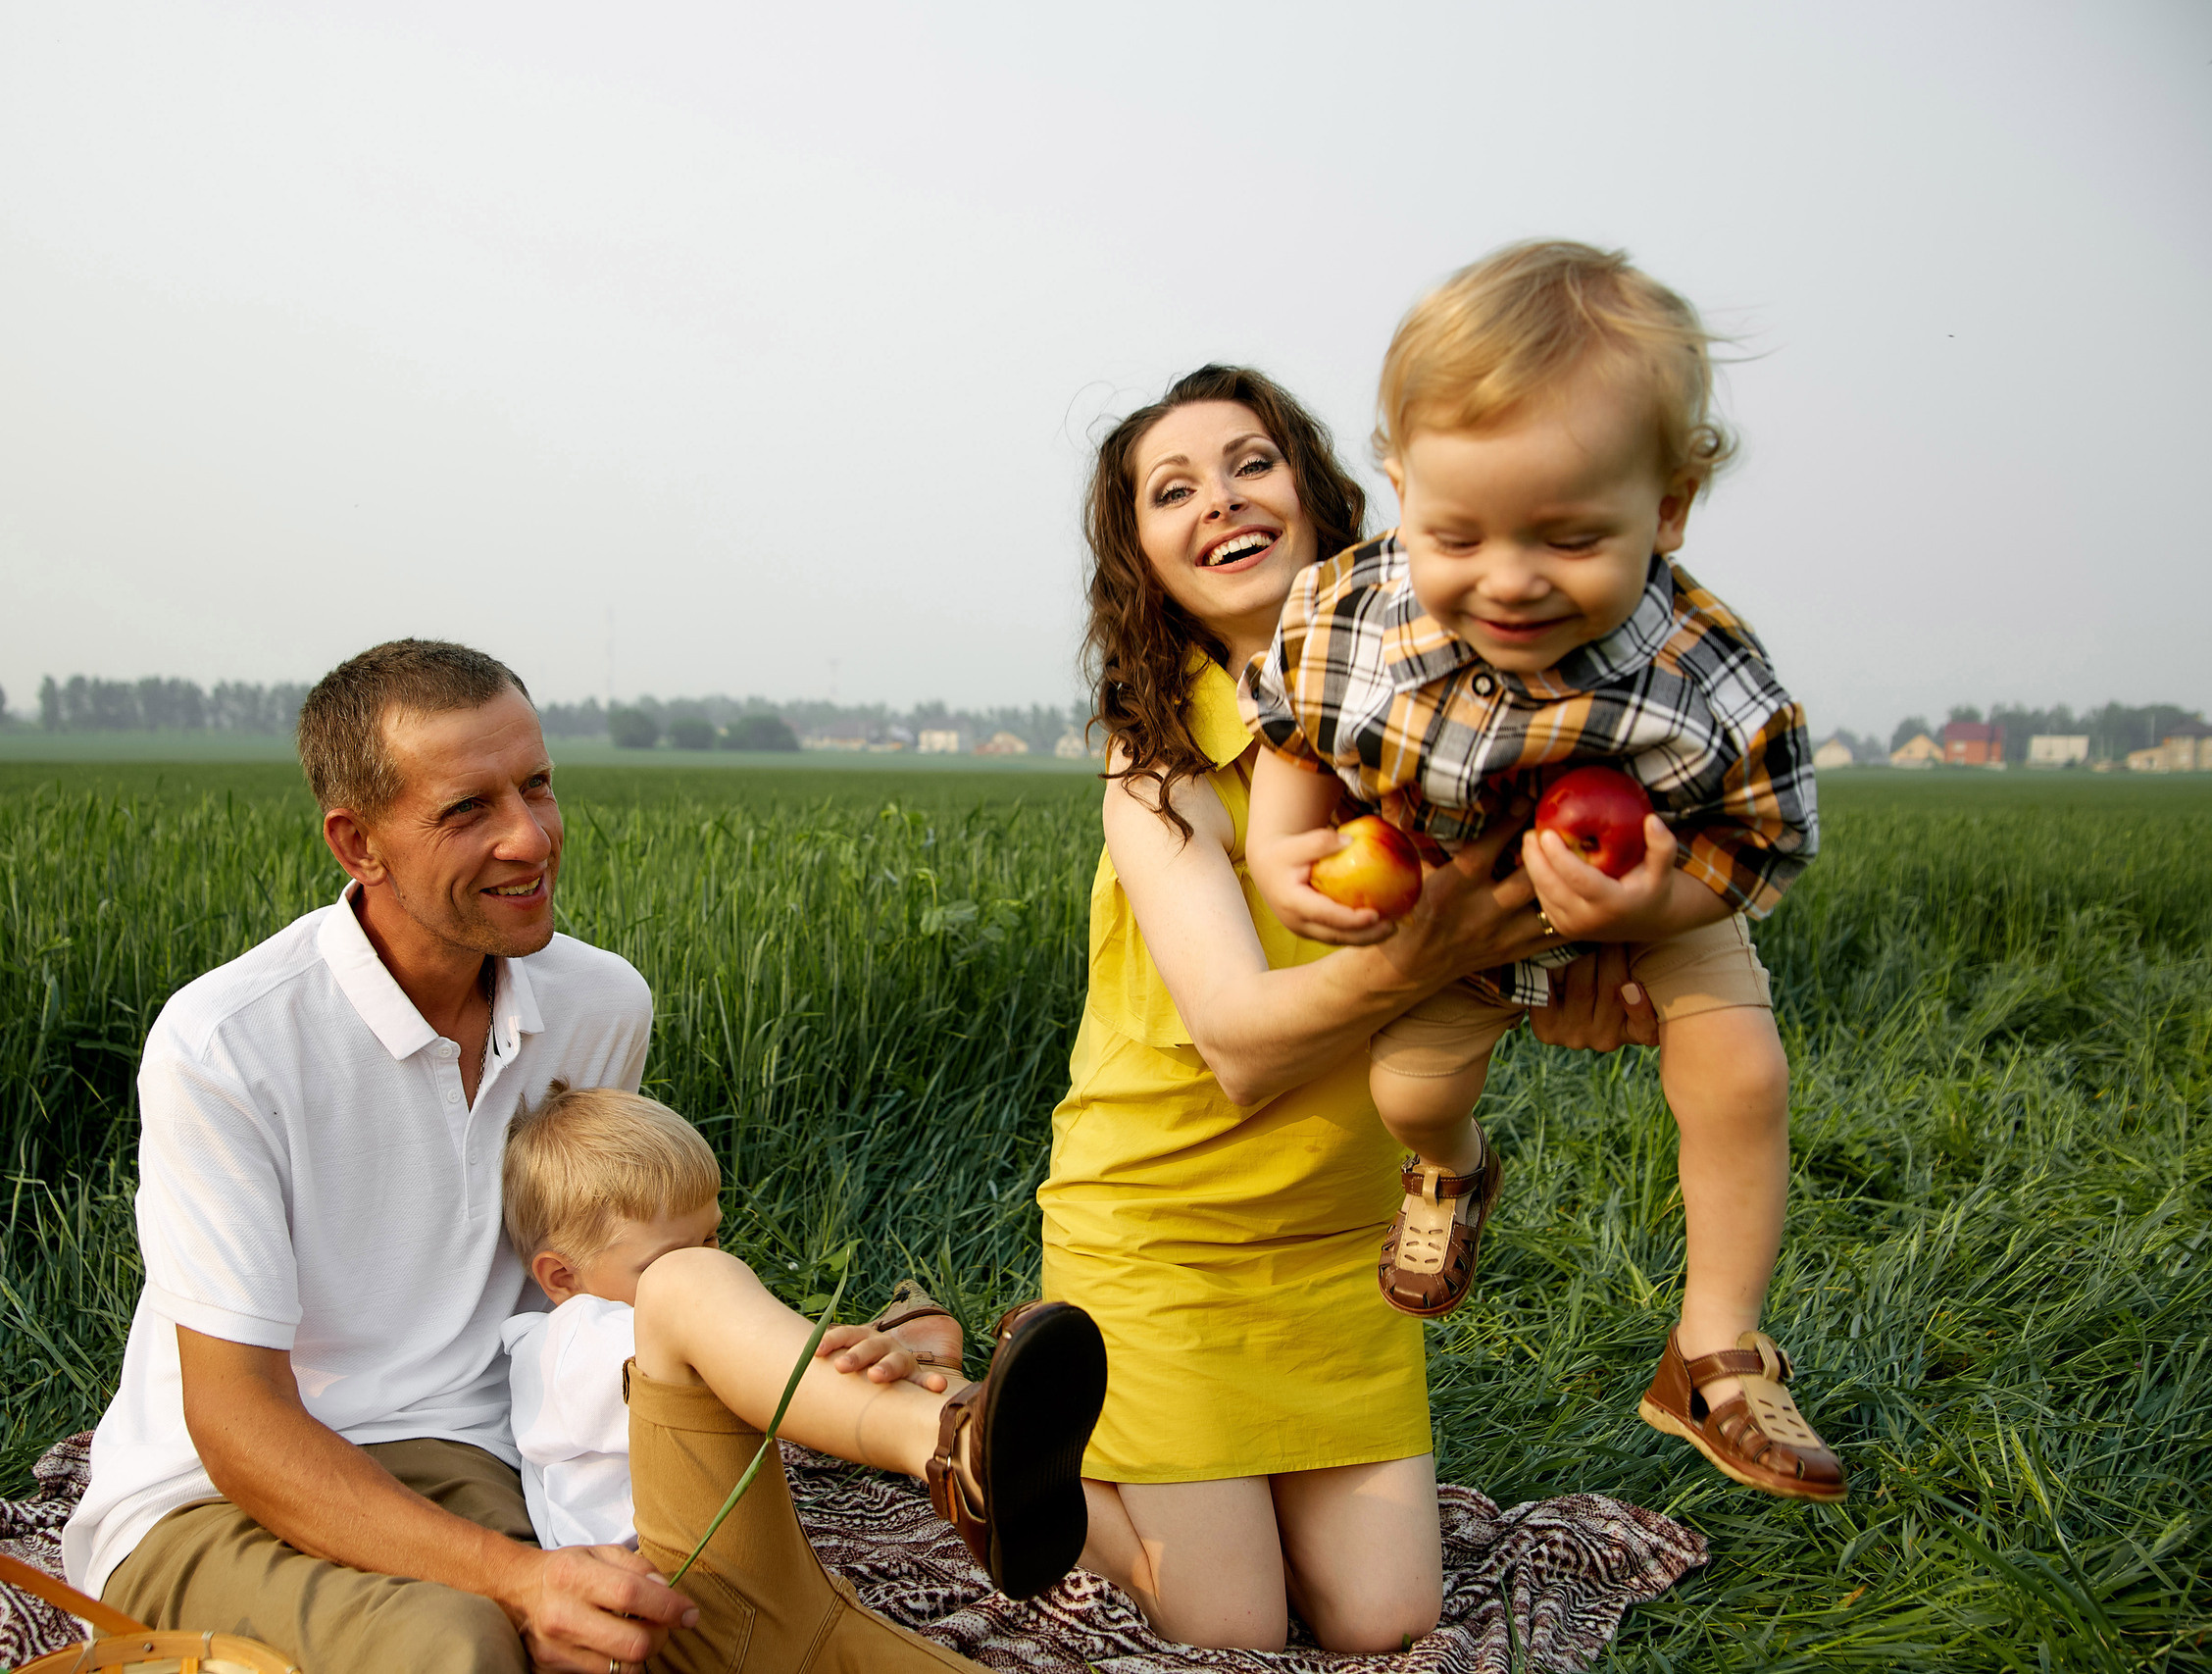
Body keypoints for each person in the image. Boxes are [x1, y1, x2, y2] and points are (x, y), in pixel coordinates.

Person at [63, 637, 1075, 1674]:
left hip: (484, 1454)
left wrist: (798, 1366)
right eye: (468, 810)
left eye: (537, 786)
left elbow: (587, 1276)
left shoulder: (598, 1003)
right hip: (214, 1496)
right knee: (456, 1646)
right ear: (356, 843)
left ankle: (949, 1441)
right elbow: (240, 1426)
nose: (530, 838)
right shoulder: (229, 1043)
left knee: (658, 1626)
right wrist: (515, 1580)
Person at [1043, 365, 1660, 1654]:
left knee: (1390, 1615)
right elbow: (1240, 1043)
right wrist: (1434, 945)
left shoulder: (1442, 720)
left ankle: (1165, 1462)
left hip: (1339, 1246)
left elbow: (1552, 887)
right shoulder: (1157, 761)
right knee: (1229, 1622)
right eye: (1173, 490)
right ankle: (1026, 1435)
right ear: (1146, 561)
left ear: (1318, 500)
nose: (1220, 498)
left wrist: (1610, 965)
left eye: (1249, 463)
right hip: (1159, 1236)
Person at [1239, 241, 1844, 1506]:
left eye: (1570, 538)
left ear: (1669, 507)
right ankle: (1451, 1168)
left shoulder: (1697, 665)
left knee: (1741, 1070)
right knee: (1405, 1088)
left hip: (1649, 882)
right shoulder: (1346, 611)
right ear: (1398, 482)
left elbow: (1759, 839)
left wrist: (1650, 909)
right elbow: (1291, 736)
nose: (1508, 580)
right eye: (1455, 533)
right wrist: (1282, 854)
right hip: (1447, 895)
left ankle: (1713, 1345)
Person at [497, 1078, 1106, 1663]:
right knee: (684, 1293)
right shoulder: (558, 1345)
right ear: (560, 1277)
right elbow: (742, 1370)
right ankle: (955, 1441)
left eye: (712, 1239)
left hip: (777, 1592)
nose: (708, 1261)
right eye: (665, 1257)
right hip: (671, 1623)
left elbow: (760, 1365)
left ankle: (951, 1411)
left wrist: (870, 1372)